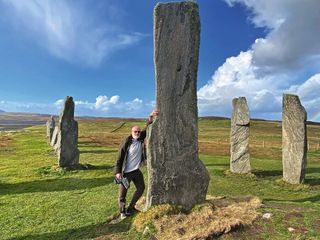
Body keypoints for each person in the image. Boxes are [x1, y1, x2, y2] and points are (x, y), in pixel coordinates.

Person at [115, 110, 158, 219]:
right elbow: (119, 157)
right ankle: (122, 212)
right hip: (126, 172)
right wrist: (118, 172)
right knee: (122, 194)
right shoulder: (127, 142)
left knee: (141, 188)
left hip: (136, 171)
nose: (137, 133)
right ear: (132, 132)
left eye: (138, 132)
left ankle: (131, 207)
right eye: (135, 131)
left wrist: (151, 117)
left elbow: (147, 128)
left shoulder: (140, 138)